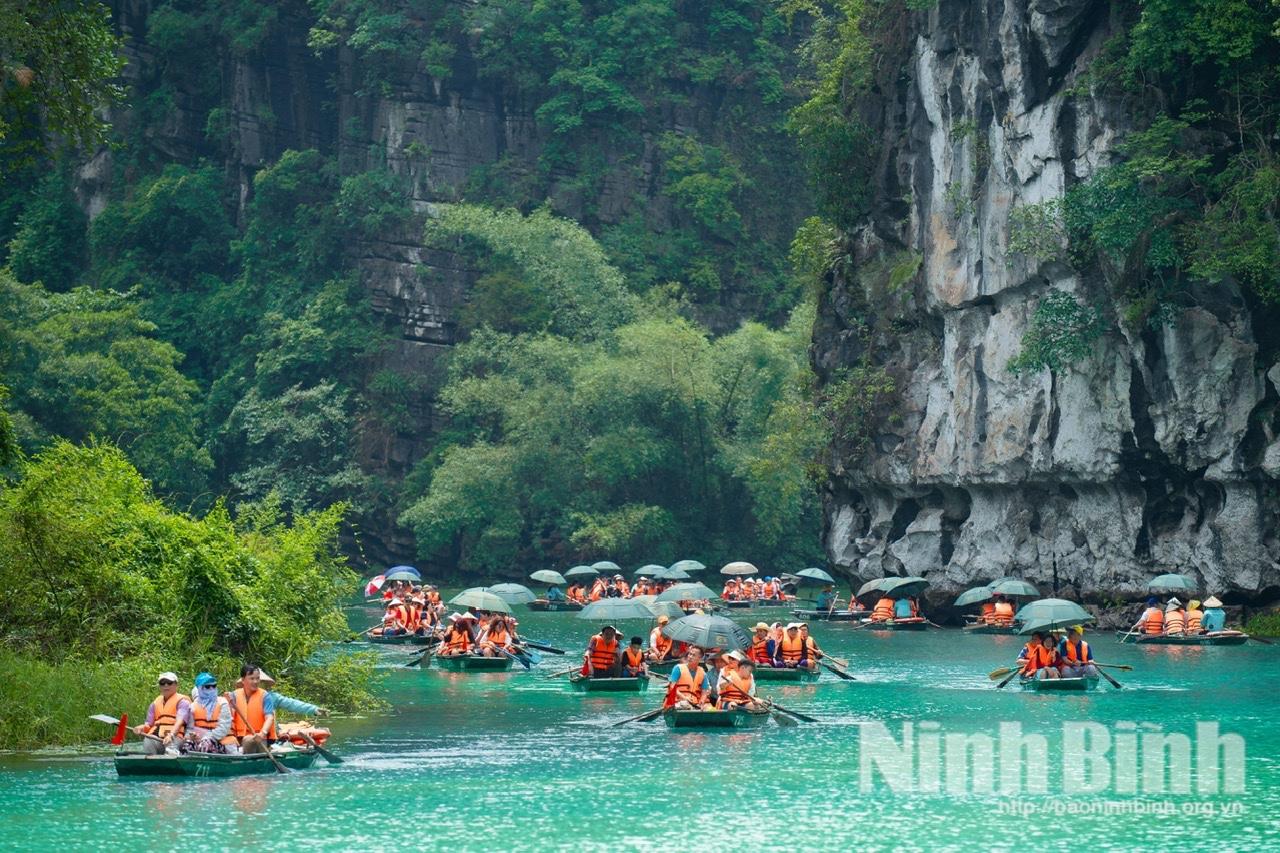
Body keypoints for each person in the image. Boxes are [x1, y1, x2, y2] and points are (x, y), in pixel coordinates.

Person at [134, 671, 190, 755]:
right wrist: (141, 728)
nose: (166, 685)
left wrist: (171, 735)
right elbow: (149, 724)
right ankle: (150, 763)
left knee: (171, 745)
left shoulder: (183, 702)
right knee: (148, 739)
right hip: (157, 738)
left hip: (176, 737)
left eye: (169, 683)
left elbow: (179, 721)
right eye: (162, 683)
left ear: (176, 685)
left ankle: (171, 758)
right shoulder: (154, 704)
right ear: (159, 686)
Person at [228, 664, 276, 755]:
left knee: (248, 740)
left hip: (259, 738)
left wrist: (262, 733)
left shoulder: (265, 696)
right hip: (237, 738)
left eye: (257, 678)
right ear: (243, 680)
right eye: (252, 678)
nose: (255, 681)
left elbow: (269, 717)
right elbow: (228, 717)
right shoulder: (234, 695)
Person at [186, 672, 238, 754]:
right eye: (207, 686)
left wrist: (207, 737)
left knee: (205, 745)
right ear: (199, 688)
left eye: (214, 686)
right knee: (186, 746)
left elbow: (223, 728)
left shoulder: (222, 703)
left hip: (223, 743)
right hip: (200, 741)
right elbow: (189, 729)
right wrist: (192, 736)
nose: (211, 689)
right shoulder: (192, 706)